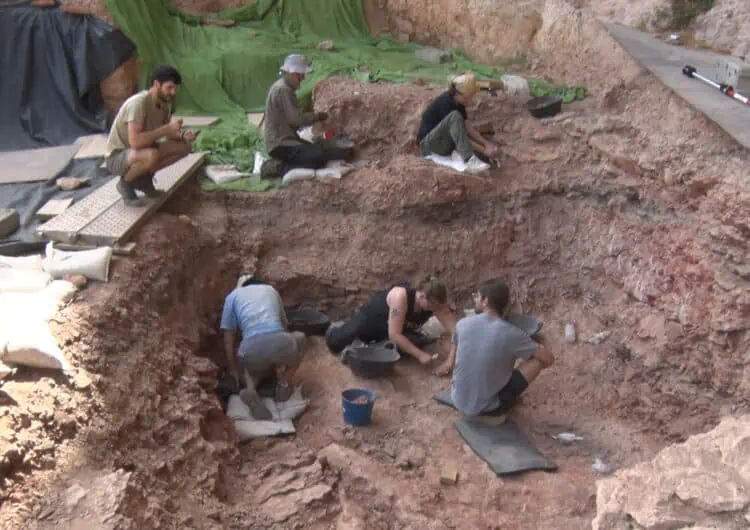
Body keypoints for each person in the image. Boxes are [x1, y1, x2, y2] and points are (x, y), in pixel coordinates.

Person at [436, 279, 554, 416]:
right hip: (488, 409)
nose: (475, 299)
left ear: (485, 301)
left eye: (477, 296)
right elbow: (549, 359)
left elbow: (457, 344)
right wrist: (542, 344)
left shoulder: (462, 324)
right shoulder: (513, 333)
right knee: (537, 360)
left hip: (458, 399)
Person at [104, 65, 196, 206]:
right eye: (169, 87)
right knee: (151, 155)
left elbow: (170, 134)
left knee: (184, 148)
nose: (173, 92)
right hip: (118, 157)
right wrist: (166, 129)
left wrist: (183, 136)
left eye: (175, 88)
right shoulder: (138, 103)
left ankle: (144, 181)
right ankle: (125, 184)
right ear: (156, 84)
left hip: (140, 152)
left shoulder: (163, 104)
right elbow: (135, 142)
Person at [220, 275, 306, 420]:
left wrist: (233, 368)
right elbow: (284, 326)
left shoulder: (232, 296)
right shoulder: (271, 290)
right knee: (300, 338)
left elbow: (228, 339)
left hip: (251, 350)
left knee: (245, 361)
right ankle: (284, 383)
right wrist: (280, 360)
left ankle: (251, 389)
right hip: (280, 343)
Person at [325, 276, 457, 365]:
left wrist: (450, 361)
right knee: (335, 342)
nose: (435, 310)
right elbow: (394, 334)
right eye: (432, 306)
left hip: (395, 329)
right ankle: (339, 328)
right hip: (370, 323)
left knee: (414, 343)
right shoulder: (400, 296)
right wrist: (420, 355)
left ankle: (371, 346)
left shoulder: (435, 302)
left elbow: (457, 332)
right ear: (422, 296)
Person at [260, 54, 351, 179]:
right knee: (318, 157)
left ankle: (282, 164)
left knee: (317, 151)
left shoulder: (282, 87)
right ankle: (277, 167)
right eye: (301, 75)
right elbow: (295, 120)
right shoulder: (283, 90)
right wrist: (317, 116)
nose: (303, 79)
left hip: (285, 141)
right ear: (293, 73)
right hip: (281, 144)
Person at [416, 71, 502, 174]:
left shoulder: (458, 102)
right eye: (467, 97)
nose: (470, 100)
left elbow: (467, 127)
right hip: (429, 145)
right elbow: (459, 137)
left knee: (483, 159)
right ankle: (469, 160)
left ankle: (476, 159)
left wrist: (486, 143)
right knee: (455, 116)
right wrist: (484, 150)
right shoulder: (446, 104)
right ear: (457, 93)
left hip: (443, 142)